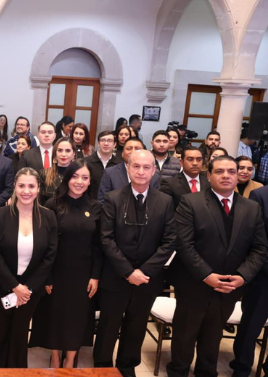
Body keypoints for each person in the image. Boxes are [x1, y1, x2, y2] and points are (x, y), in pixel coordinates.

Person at [166, 156, 267, 377]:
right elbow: (183, 245)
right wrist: (207, 275)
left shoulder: (252, 208)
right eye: (220, 171)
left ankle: (206, 372)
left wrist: (243, 276)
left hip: (230, 286)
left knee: (213, 337)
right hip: (194, 283)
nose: (226, 176)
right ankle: (178, 372)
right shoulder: (190, 202)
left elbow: (259, 249)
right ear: (209, 175)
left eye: (231, 171)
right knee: (184, 337)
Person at [93, 150, 176, 377]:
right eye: (136, 166)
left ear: (154, 170)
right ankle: (102, 367)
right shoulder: (113, 198)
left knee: (136, 326)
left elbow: (170, 241)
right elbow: (106, 239)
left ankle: (127, 367)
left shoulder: (165, 201)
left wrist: (144, 271)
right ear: (128, 168)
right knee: (108, 326)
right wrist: (128, 272)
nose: (141, 171)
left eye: (146, 167)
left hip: (147, 279)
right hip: (116, 277)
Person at [29, 159, 102, 368]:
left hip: (83, 274)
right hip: (56, 271)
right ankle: (54, 356)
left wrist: (95, 276)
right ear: (67, 178)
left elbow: (99, 246)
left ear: (90, 181)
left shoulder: (96, 207)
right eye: (75, 176)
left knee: (77, 317)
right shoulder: (52, 205)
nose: (79, 181)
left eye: (85, 178)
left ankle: (70, 359)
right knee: (54, 314)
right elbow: (44, 244)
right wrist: (47, 276)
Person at [0, 167, 58, 368]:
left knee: (20, 329)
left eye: (31, 186)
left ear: (38, 189)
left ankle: (18, 371)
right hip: (3, 285)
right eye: (21, 186)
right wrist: (14, 286)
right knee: (2, 328)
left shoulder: (48, 217)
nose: (26, 191)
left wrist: (27, 288)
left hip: (31, 289)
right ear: (14, 188)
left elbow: (50, 256)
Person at [231, 161, 268, 377]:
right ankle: (241, 370)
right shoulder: (262, 195)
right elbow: (254, 239)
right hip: (266, 275)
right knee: (250, 327)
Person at [98, 138, 160, 203]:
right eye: (129, 148)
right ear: (122, 153)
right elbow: (103, 201)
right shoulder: (110, 173)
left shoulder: (154, 176)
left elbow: (156, 201)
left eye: (137, 149)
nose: (133, 151)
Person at [39, 137, 75, 205]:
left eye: (68, 151)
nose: (63, 154)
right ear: (55, 153)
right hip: (48, 210)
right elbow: (39, 201)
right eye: (60, 150)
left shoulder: (78, 175)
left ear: (73, 154)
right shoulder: (44, 174)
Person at [86, 130, 120, 201]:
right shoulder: (87, 162)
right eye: (103, 140)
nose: (106, 143)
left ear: (114, 144)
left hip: (111, 204)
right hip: (89, 203)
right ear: (98, 143)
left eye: (109, 141)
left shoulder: (119, 164)